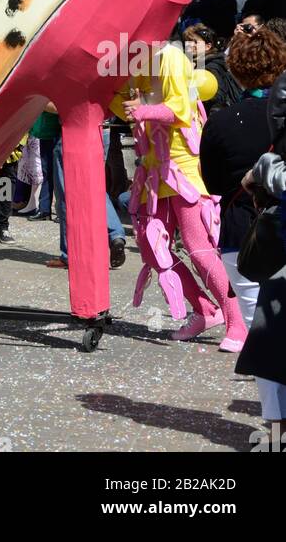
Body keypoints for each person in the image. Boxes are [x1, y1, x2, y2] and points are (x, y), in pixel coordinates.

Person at [112, 38, 247, 349]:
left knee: (199, 247)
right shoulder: (128, 63)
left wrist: (142, 109)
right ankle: (203, 310)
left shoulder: (170, 55)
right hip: (152, 167)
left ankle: (237, 320)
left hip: (183, 165)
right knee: (151, 247)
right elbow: (120, 104)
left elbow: (181, 109)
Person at [199, 23, 286, 423]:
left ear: (234, 69)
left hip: (244, 233)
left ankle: (275, 423)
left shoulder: (221, 121)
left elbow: (214, 182)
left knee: (261, 332)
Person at [45, 118, 126, 270]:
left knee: (66, 193)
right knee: (95, 189)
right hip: (102, 128)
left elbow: (56, 106)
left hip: (74, 130)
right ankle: (116, 235)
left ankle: (69, 254)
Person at [183, 23, 242, 111]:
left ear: (208, 46)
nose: (190, 45)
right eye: (188, 41)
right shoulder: (195, 63)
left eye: (195, 42)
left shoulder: (211, 67)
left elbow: (217, 97)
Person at [29, 104, 59, 219]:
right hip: (46, 133)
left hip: (57, 132)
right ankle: (44, 210)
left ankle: (62, 211)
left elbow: (55, 107)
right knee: (46, 172)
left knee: (59, 174)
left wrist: (41, 102)